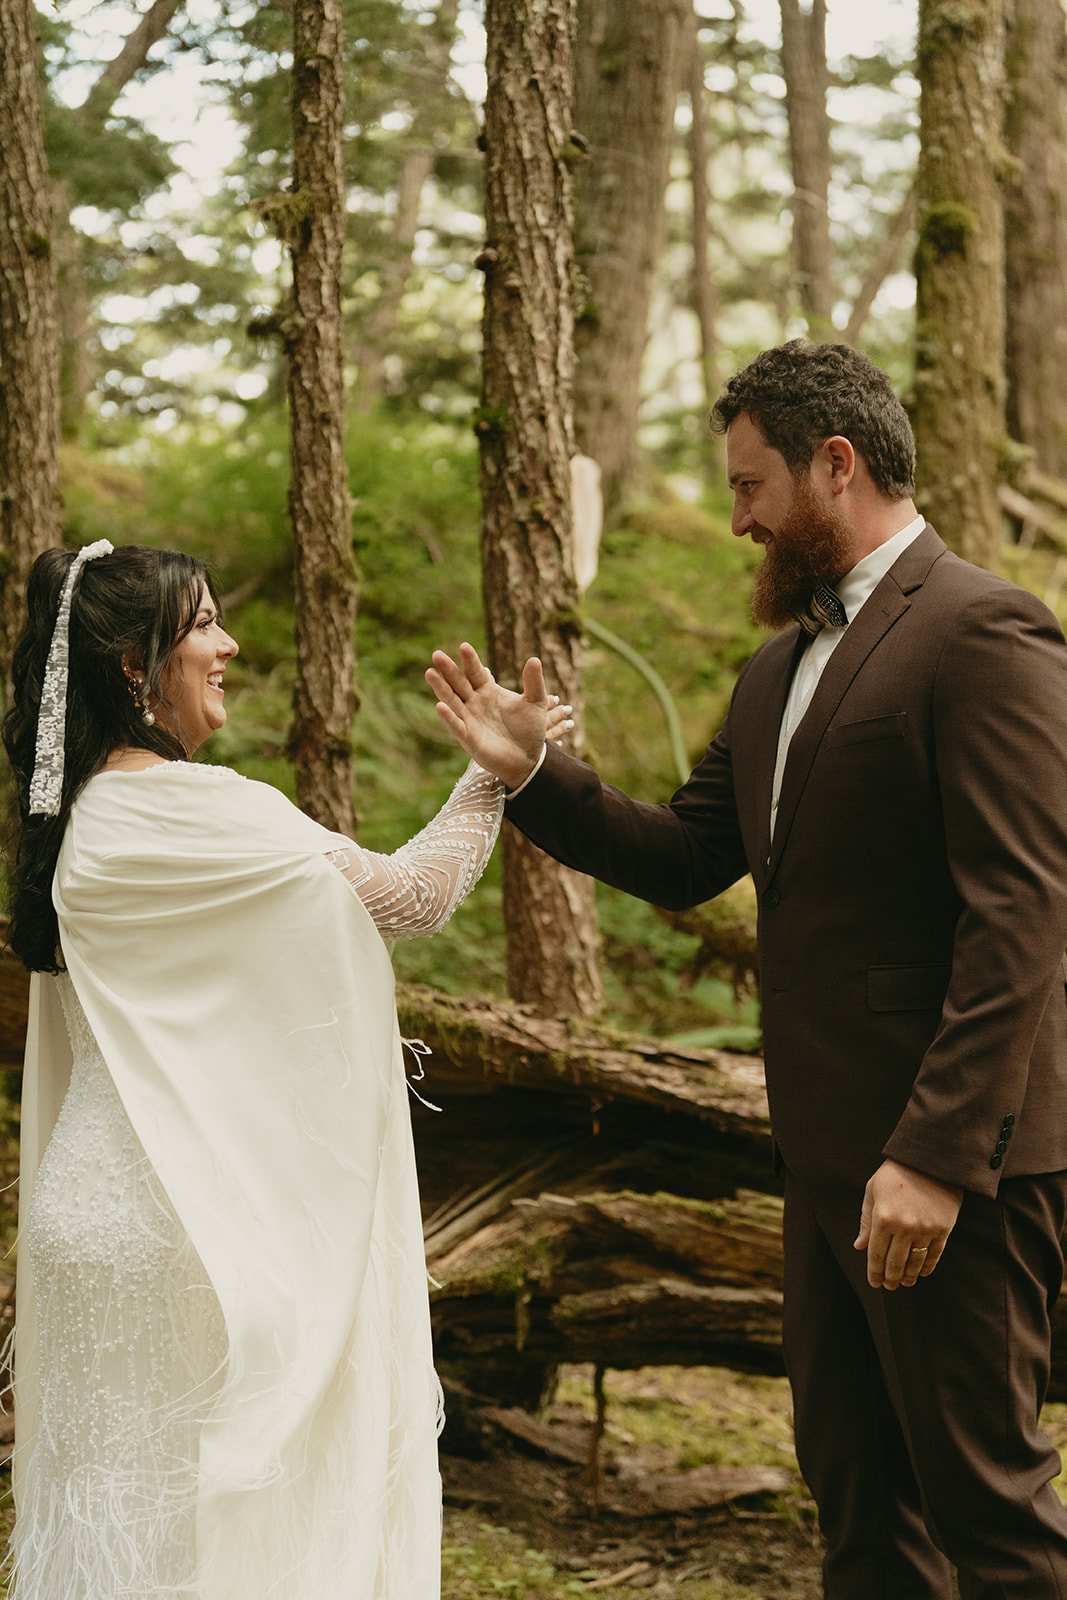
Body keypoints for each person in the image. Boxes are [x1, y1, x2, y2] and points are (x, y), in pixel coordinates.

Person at [426, 340, 1067, 1598]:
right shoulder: (775, 665)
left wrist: (933, 1158)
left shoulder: (980, 628)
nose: (734, 521)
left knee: (986, 1512)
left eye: (748, 485)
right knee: (863, 1515)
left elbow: (1022, 912)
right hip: (823, 1159)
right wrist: (526, 773)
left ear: (834, 465)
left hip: (952, 1170)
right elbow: (681, 857)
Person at [2, 541, 562, 1600]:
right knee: (225, 1517)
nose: (228, 642)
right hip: (187, 1226)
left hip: (91, 1213)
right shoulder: (204, 807)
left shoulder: (81, 821)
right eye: (203, 623)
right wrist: (494, 771)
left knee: (120, 1523)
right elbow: (408, 897)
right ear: (135, 664)